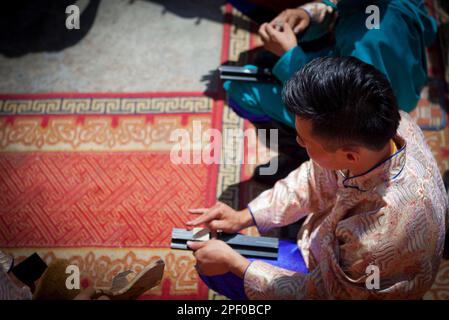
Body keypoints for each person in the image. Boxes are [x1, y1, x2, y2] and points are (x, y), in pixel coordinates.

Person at [187, 56, 448, 299]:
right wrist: (244, 216)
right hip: (329, 240)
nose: (298, 142)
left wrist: (238, 266)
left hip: (348, 278)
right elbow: (315, 177)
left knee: (217, 267)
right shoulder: (394, 124)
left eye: (305, 140)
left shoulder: (376, 241)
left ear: (350, 157)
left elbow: (326, 293)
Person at [225, 0, 438, 129]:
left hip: (358, 115)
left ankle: (308, 154)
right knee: (267, 62)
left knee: (240, 91)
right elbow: (353, 11)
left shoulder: (367, 41)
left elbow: (345, 107)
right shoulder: (377, 15)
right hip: (395, 81)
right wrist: (309, 13)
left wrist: (290, 57)